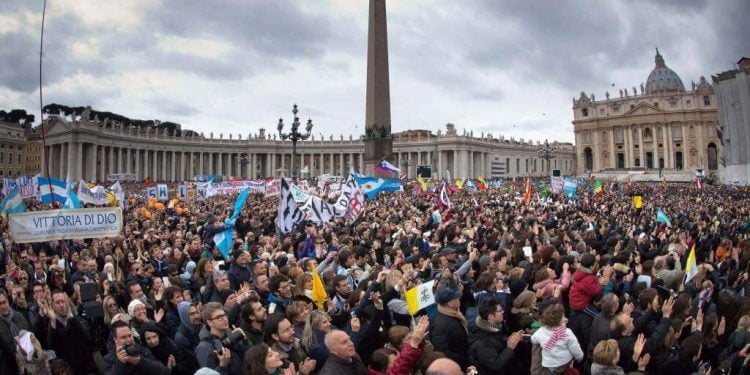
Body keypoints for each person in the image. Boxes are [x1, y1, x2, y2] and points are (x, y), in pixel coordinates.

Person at [468, 297, 523, 374]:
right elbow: (495, 364)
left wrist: (509, 339)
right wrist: (510, 348)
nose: (503, 312)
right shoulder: (481, 342)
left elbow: (496, 341)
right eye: (500, 311)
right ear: (491, 316)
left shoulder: (496, 327)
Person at [195, 302, 250, 374]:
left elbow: (248, 358)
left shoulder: (230, 335)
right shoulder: (204, 347)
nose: (224, 319)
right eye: (219, 317)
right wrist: (222, 366)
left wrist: (244, 340)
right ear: (210, 322)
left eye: (224, 315)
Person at [530, 303, 584, 373]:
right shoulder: (567, 332)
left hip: (549, 364)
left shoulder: (540, 331)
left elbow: (533, 339)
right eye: (563, 316)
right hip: (564, 361)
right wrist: (580, 357)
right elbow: (575, 348)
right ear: (559, 320)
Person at [104, 320, 170, 374]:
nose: (128, 340)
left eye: (129, 335)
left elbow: (164, 371)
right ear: (115, 340)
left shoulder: (142, 350)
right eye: (123, 337)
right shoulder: (109, 359)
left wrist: (140, 361)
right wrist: (121, 363)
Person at [430, 288, 469, 369]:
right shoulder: (440, 325)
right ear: (450, 303)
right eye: (456, 298)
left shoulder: (453, 314)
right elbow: (442, 351)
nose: (459, 299)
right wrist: (463, 360)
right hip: (456, 364)